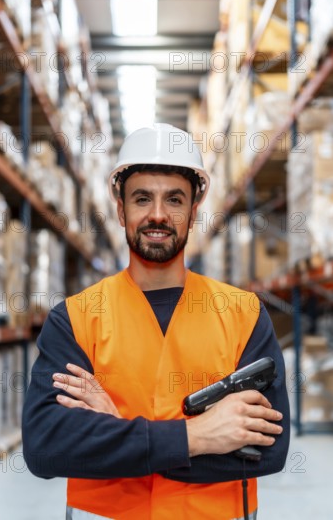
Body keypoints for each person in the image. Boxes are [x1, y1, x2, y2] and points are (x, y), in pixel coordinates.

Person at [22, 123, 290, 520]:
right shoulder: (76, 319)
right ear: (120, 209)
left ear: (194, 211)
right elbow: (46, 448)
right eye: (142, 198)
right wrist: (198, 436)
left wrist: (119, 435)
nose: (158, 215)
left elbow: (269, 450)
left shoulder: (244, 314)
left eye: (175, 199)